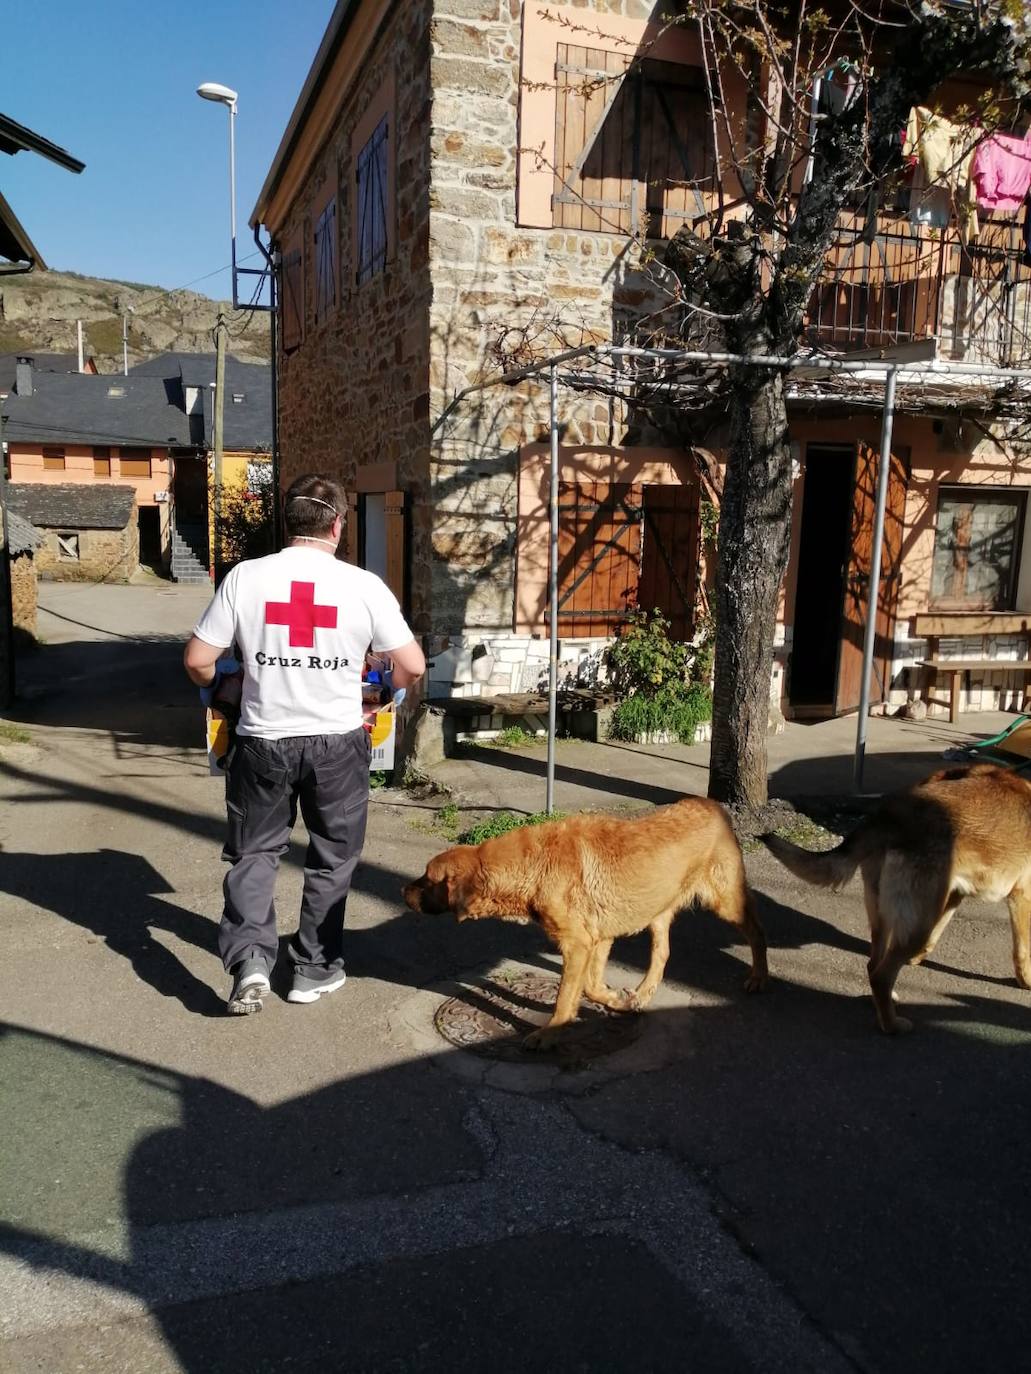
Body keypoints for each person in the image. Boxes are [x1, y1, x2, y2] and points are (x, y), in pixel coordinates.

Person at [183, 473, 426, 1015]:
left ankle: (250, 962)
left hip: (261, 742)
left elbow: (198, 660)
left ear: (287, 520)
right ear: (337, 525)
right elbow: (411, 666)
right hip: (337, 742)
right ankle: (313, 970)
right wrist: (379, 695)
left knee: (254, 854)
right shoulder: (363, 585)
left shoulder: (246, 577)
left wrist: (222, 684)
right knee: (332, 858)